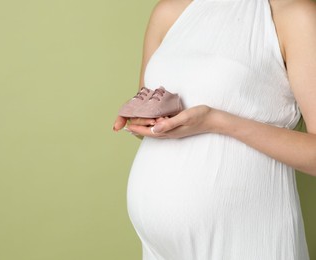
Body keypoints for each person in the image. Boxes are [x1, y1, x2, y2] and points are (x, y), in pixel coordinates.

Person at [113, 0, 316, 259]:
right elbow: (150, 111)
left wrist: (216, 121)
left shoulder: (294, 15)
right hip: (159, 247)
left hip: (248, 239)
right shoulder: (169, 10)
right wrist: (142, 119)